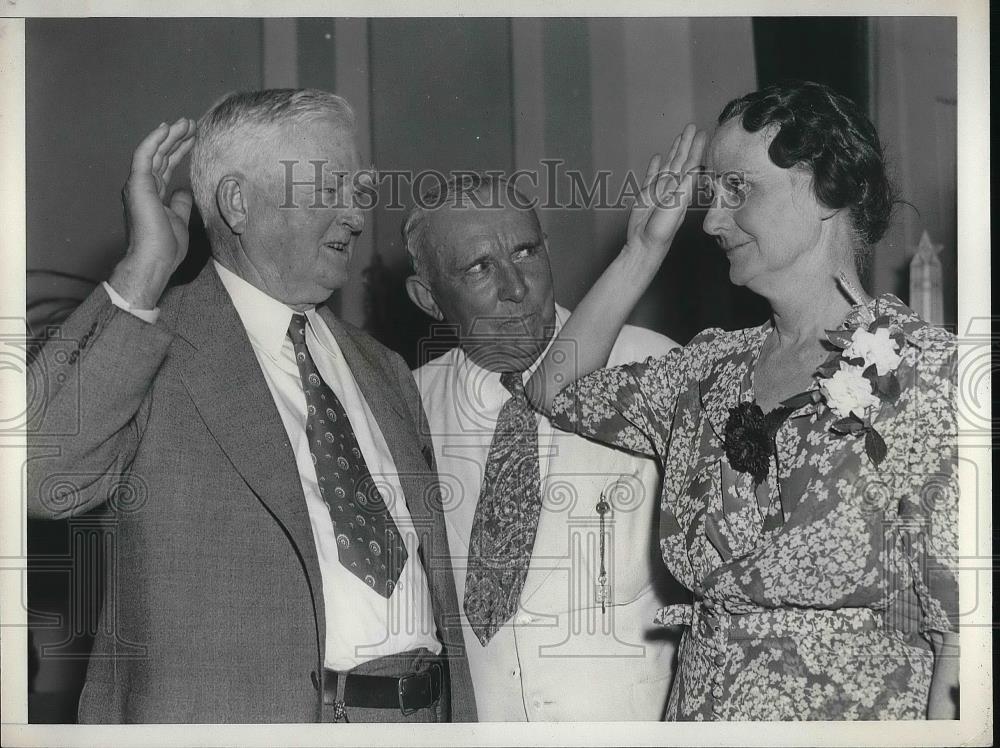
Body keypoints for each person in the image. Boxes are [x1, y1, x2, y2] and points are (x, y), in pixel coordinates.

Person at [26, 89, 475, 723]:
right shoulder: (156, 344)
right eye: (330, 189)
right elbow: (37, 477)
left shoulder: (385, 370)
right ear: (239, 202)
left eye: (359, 189)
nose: (355, 213)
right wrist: (143, 270)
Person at [526, 82, 959, 720]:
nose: (711, 221)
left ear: (825, 191)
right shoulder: (709, 369)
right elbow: (552, 389)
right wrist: (640, 252)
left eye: (738, 189)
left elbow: (964, 635)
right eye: (712, 194)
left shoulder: (931, 374)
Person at [404, 175, 683, 721]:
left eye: (526, 252)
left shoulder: (653, 370)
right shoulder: (408, 404)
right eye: (479, 268)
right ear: (429, 298)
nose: (516, 287)